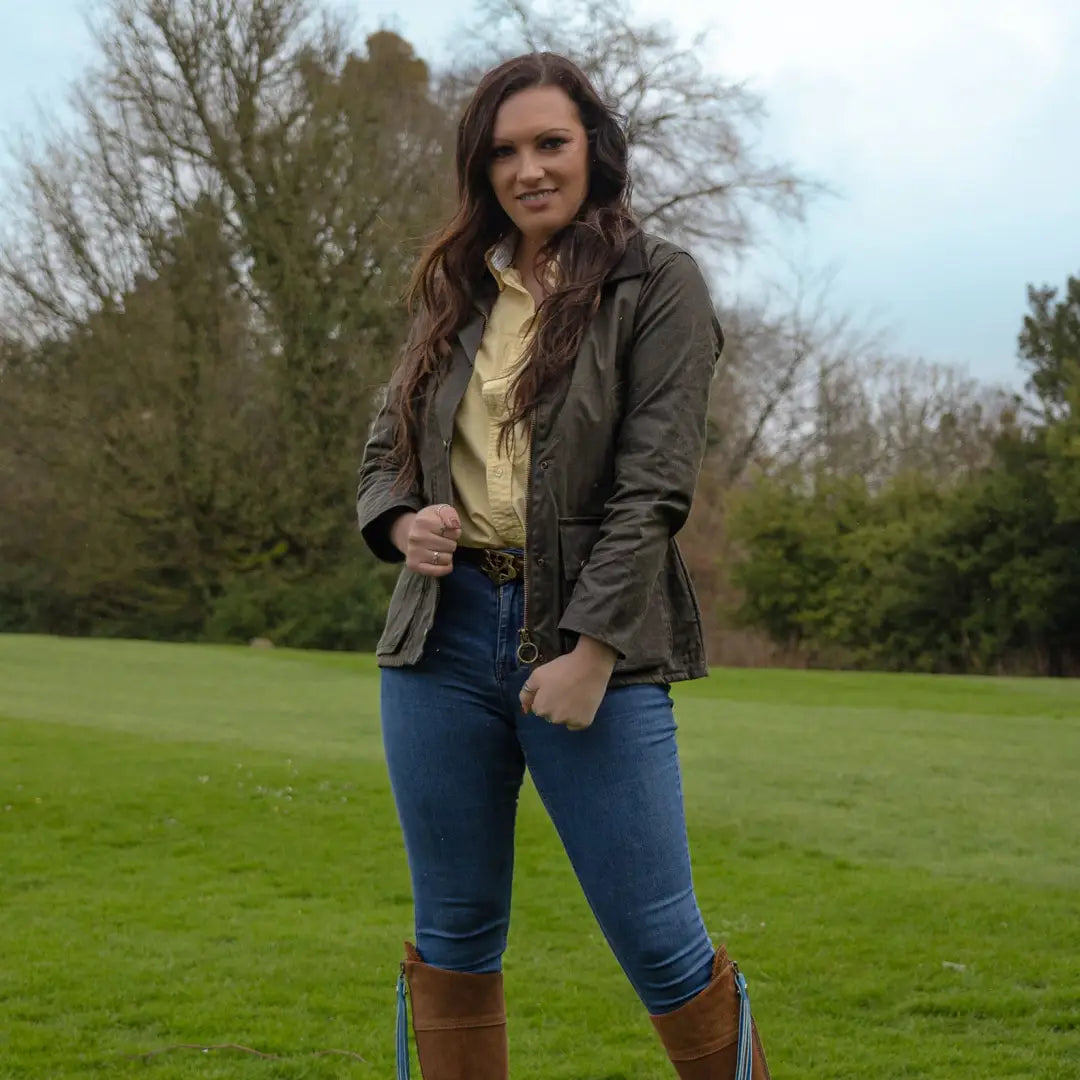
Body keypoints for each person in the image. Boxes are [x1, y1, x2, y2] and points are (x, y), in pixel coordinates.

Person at [356, 51, 771, 1080]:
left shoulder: (657, 283)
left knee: (662, 945)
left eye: (551, 143)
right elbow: (384, 448)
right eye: (504, 151)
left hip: (597, 644)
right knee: (451, 935)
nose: (528, 169)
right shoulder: (456, 285)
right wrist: (402, 523)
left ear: (595, 149)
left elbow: (654, 489)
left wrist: (588, 651)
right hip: (439, 641)